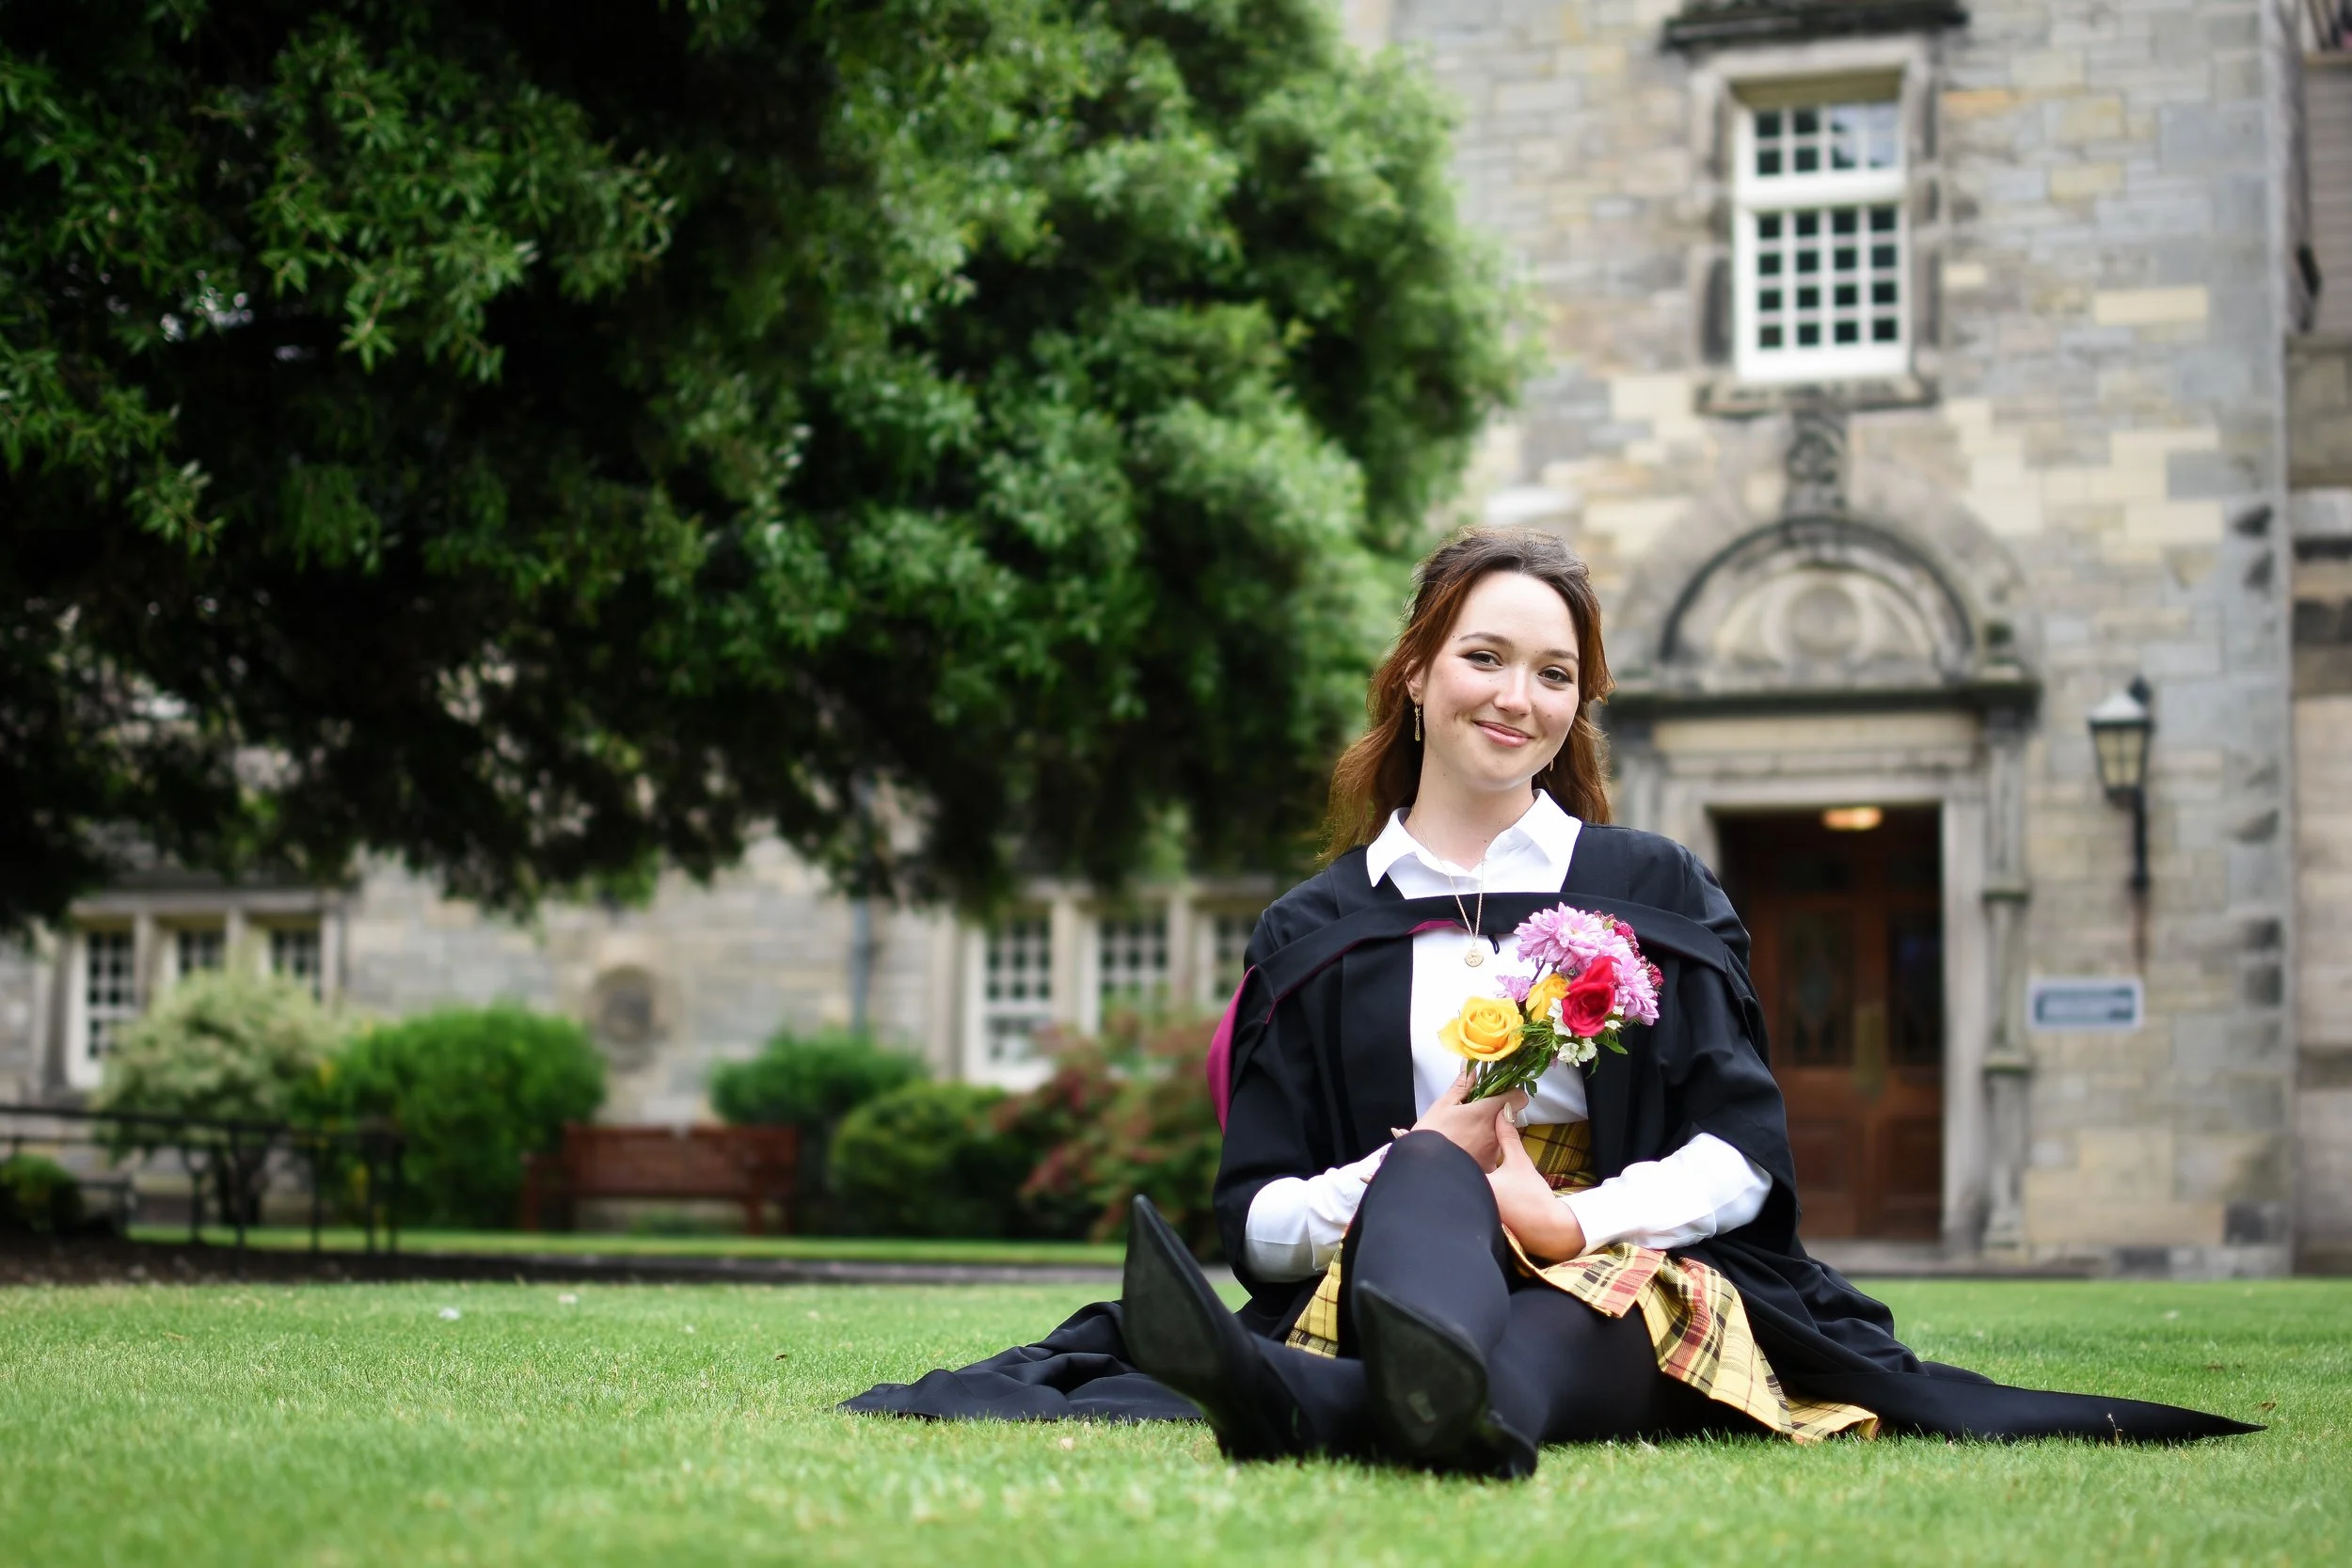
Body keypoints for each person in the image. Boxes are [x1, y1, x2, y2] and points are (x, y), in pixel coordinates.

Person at [845, 529, 2255, 1473]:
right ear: (1415, 673)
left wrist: (1567, 1213)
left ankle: (1294, 1395)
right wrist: (1426, 1163)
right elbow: (1260, 1219)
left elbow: (1742, 1154)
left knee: (1530, 1323)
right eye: (1485, 656)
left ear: (1578, 706)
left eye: (1556, 673)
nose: (1517, 696)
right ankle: (1373, 1370)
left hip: (1617, 1260)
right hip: (1400, 1242)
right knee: (1427, 1175)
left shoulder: (1647, 884)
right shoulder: (1314, 923)